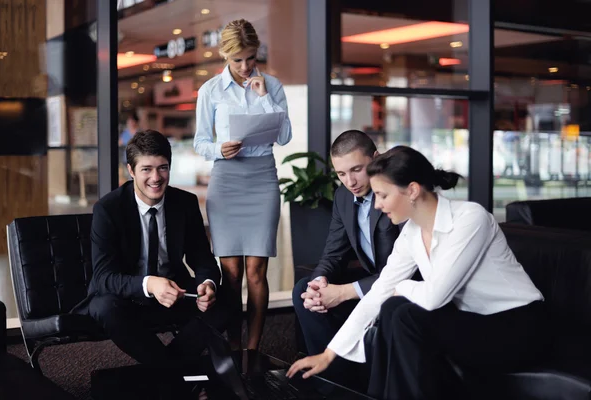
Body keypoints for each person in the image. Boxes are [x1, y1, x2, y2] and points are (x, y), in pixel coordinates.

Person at [288, 146, 548, 400]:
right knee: (392, 309)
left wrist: (401, 288)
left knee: (404, 313)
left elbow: (435, 296)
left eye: (383, 195)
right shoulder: (412, 232)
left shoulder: (471, 218)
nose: (376, 205)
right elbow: (379, 291)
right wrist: (329, 354)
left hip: (516, 328)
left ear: (411, 190)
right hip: (469, 321)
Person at [72, 130, 227, 366]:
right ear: (131, 170)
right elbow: (104, 277)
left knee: (226, 300)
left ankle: (166, 371)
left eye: (162, 168)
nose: (156, 177)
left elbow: (203, 259)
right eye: (146, 169)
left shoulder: (184, 203)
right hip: (126, 299)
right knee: (105, 307)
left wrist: (207, 285)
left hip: (173, 294)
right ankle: (174, 373)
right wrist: (149, 284)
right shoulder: (108, 209)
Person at [193, 19, 292, 351]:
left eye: (251, 57)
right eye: (238, 59)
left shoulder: (273, 85)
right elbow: (200, 142)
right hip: (226, 179)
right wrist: (218, 150)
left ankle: (253, 348)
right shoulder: (210, 91)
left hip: (262, 179)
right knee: (231, 274)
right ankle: (233, 345)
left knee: (255, 273)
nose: (246, 66)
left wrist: (264, 98)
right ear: (224, 55)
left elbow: (285, 136)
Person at [292, 130, 400, 357]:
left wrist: (343, 293)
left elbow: (409, 271)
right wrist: (318, 283)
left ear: (376, 158)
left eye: (356, 170)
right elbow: (334, 254)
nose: (350, 181)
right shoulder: (343, 196)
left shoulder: (396, 193)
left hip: (400, 287)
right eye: (341, 173)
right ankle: (331, 377)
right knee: (304, 289)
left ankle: (336, 378)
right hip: (371, 284)